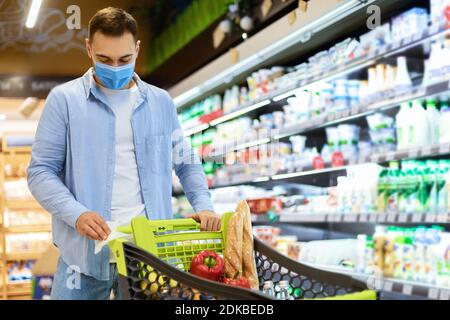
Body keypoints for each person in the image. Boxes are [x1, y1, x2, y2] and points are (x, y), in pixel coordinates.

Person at [27, 7, 220, 300]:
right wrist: (76, 214)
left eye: (124, 59)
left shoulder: (160, 102)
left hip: (150, 255)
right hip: (83, 259)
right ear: (88, 48)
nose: (115, 68)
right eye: (104, 60)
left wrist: (203, 204)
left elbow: (186, 162)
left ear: (137, 50)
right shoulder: (64, 101)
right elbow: (40, 171)